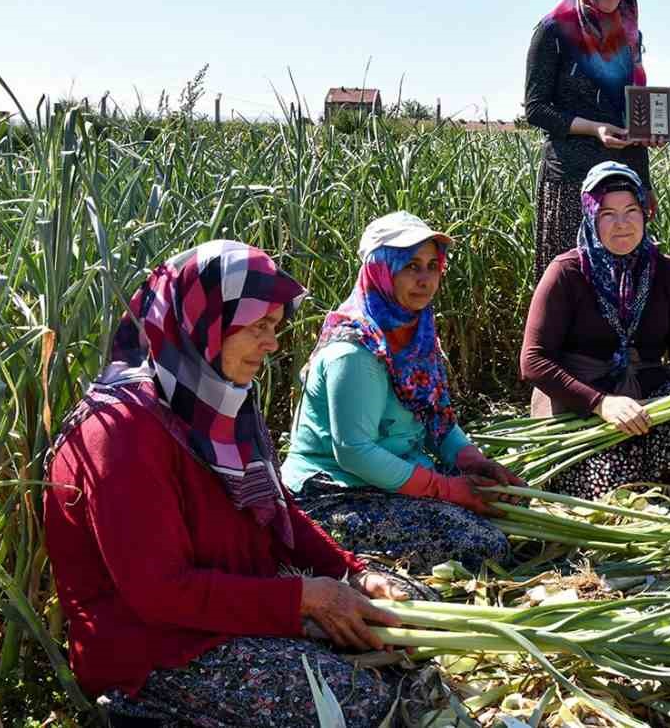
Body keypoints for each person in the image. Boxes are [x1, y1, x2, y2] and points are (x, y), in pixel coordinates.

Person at [45, 240, 423, 728]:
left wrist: (351, 572)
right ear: (205, 325)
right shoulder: (121, 430)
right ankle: (139, 712)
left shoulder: (215, 400)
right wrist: (306, 598)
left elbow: (276, 508)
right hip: (153, 646)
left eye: (275, 328)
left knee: (404, 614)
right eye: (259, 327)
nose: (273, 343)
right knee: (358, 702)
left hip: (234, 600)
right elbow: (159, 592)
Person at [283, 212, 524, 572]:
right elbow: (355, 452)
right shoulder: (354, 349)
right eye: (411, 266)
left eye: (432, 265)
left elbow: (436, 416)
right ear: (381, 270)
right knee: (484, 545)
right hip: (334, 494)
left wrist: (472, 459)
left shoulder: (417, 333)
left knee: (512, 510)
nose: (425, 279)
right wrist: (447, 489)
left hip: (395, 477)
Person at [520, 161, 670, 499]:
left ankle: (656, 476)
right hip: (582, 403)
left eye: (631, 210)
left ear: (646, 213)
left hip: (648, 398)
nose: (622, 225)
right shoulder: (566, 272)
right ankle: (644, 477)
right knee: (613, 480)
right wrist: (601, 404)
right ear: (590, 216)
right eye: (607, 214)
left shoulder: (666, 271)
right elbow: (534, 361)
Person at [523, 0, 653, 279]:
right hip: (571, 179)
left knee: (619, 284)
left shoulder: (630, 37)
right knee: (571, 281)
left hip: (620, 185)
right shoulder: (554, 29)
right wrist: (593, 128)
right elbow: (536, 108)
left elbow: (633, 115)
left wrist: (646, 184)